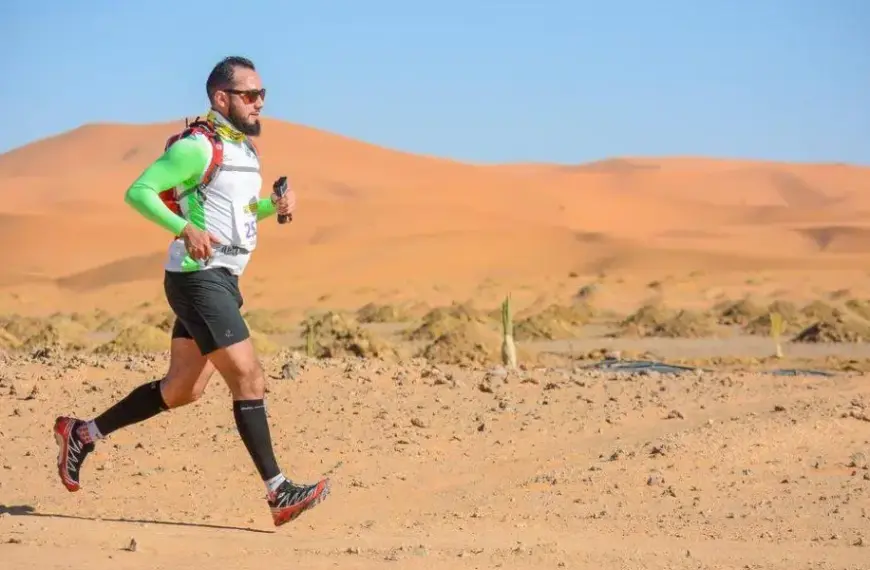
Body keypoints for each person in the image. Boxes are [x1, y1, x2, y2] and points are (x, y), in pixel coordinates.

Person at [52, 56, 330, 527]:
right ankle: (279, 492)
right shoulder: (198, 146)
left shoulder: (242, 150)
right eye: (249, 94)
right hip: (198, 278)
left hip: (223, 279)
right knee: (249, 377)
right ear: (221, 98)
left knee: (182, 389)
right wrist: (183, 228)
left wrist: (273, 205)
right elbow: (138, 191)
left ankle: (82, 433)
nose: (259, 101)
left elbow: (237, 214)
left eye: (262, 93)